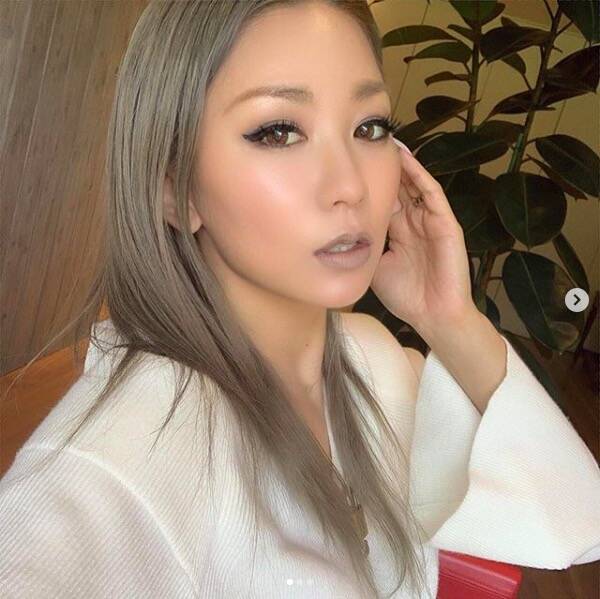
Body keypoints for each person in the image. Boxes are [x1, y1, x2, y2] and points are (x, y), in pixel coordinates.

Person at [1, 1, 599, 598]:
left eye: (370, 128)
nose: (350, 186)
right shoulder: (126, 458)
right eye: (278, 131)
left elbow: (572, 520)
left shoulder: (372, 359)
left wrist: (448, 318)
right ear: (172, 186)